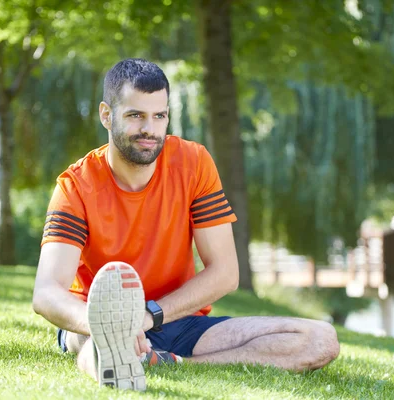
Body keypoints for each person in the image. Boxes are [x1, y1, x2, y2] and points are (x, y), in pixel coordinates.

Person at [32, 58, 340, 391]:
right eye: (135, 115)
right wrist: (105, 324)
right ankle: (107, 351)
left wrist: (149, 316)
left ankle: (168, 361)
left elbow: (225, 273)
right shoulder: (75, 185)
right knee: (90, 342)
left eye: (159, 116)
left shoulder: (193, 163)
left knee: (319, 339)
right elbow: (47, 292)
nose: (149, 129)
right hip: (94, 321)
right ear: (107, 115)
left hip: (174, 319)